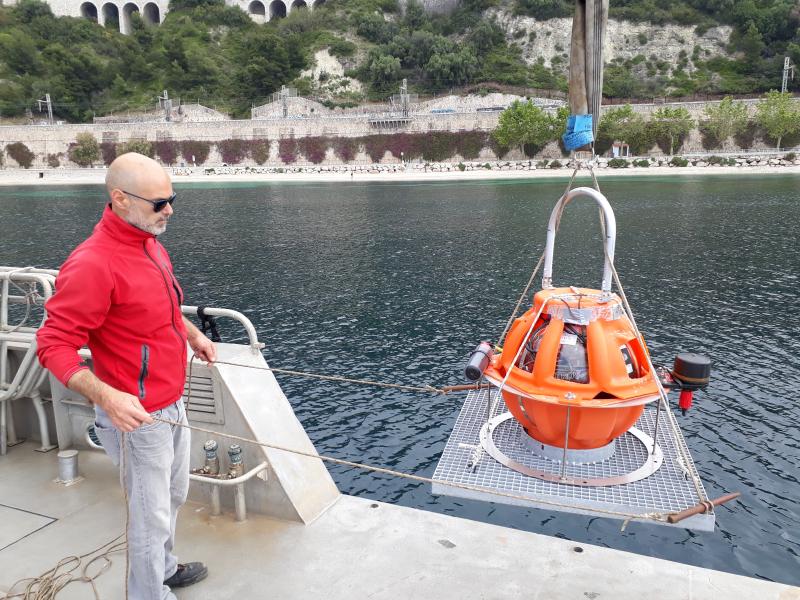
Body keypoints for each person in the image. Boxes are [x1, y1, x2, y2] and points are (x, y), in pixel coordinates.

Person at [36, 152, 216, 599]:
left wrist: (191, 333)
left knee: (172, 496)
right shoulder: (93, 263)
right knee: (148, 513)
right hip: (135, 418)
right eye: (160, 202)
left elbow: (163, 308)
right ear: (120, 199)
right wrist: (108, 397)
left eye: (172, 198)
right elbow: (52, 344)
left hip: (171, 401)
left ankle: (165, 568)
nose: (170, 209)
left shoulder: (149, 242)